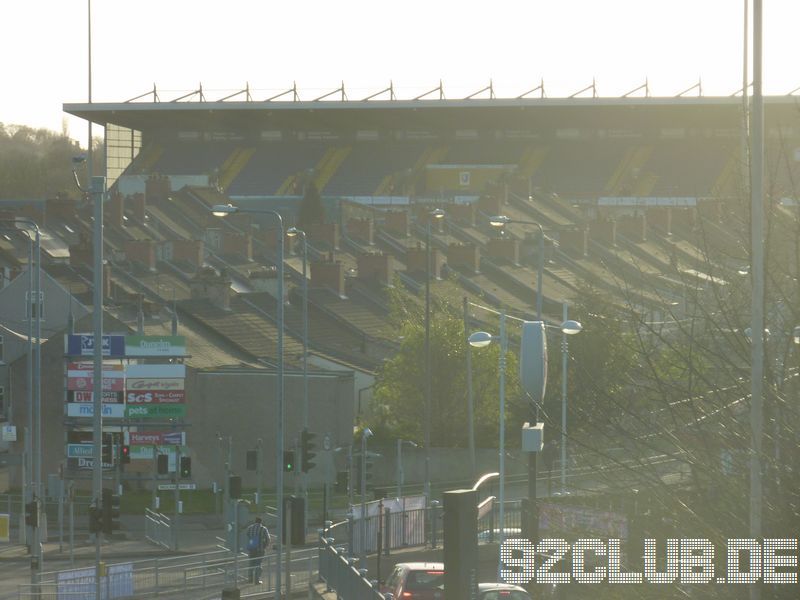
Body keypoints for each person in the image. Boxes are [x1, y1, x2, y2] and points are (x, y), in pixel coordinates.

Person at [245, 516, 271, 584]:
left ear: (255, 521)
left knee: (251, 563)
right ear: (261, 522)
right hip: (260, 549)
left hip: (251, 548)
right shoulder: (263, 528)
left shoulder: (250, 528)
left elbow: (247, 535)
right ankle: (256, 580)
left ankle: (250, 579)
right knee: (258, 564)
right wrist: (265, 546)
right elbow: (268, 539)